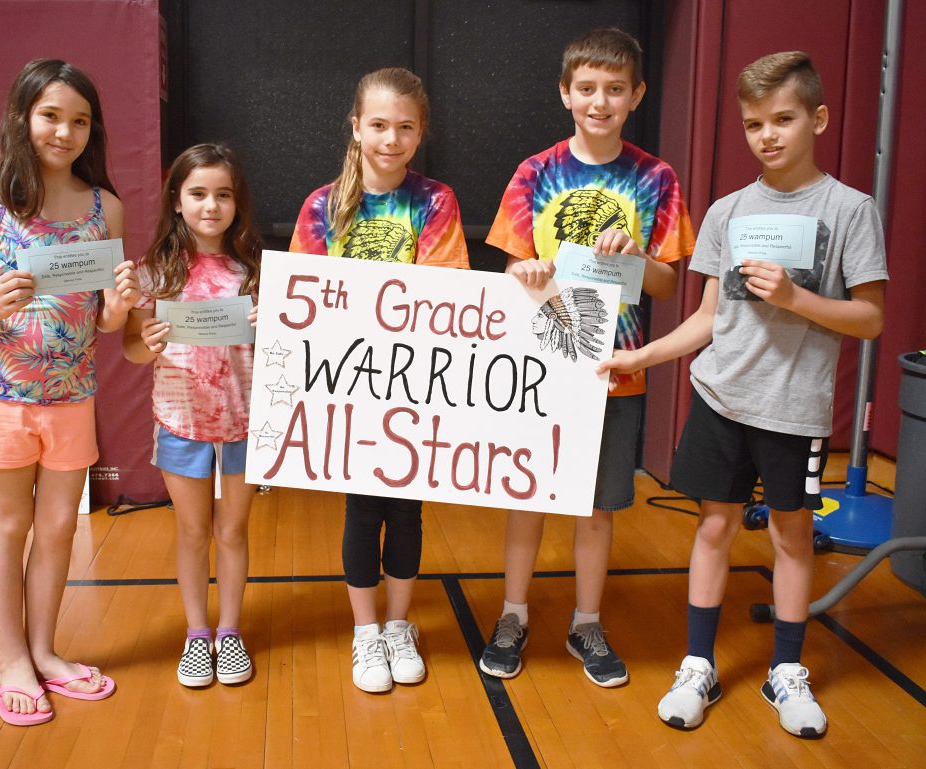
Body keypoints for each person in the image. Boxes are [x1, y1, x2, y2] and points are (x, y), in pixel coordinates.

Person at [597, 51, 888, 737]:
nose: (768, 135)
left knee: (791, 535)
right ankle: (697, 662)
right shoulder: (727, 211)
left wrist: (797, 297)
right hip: (721, 398)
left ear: (815, 119)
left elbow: (872, 318)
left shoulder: (852, 209)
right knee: (715, 527)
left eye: (783, 119)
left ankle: (787, 669)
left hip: (793, 410)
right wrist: (640, 354)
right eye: (754, 123)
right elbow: (706, 318)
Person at [479, 28, 694, 687]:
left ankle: (586, 619)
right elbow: (514, 263)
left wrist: (637, 258)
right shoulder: (534, 173)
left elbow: (667, 284)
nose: (600, 101)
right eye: (588, 89)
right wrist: (530, 270)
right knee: (529, 497)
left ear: (637, 95)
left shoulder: (657, 178)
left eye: (615, 89)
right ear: (567, 94)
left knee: (597, 506)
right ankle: (513, 612)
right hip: (542, 365)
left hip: (616, 370)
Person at [0, 59, 138, 726]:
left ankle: (44, 649)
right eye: (52, 115)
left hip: (72, 395)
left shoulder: (103, 206)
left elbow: (107, 321)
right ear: (22, 117)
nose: (65, 131)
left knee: (57, 527)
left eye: (80, 120)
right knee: (9, 523)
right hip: (1, 393)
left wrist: (119, 303)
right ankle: (9, 659)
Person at [290, 67, 470, 693]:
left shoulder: (435, 201)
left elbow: (445, 293)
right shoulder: (321, 205)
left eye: (404, 128)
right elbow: (305, 297)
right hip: (348, 385)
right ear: (356, 126)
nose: (390, 140)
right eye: (378, 126)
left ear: (421, 133)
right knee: (362, 511)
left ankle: (400, 626)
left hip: (414, 385)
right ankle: (366, 634)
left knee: (408, 510)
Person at [123, 143, 262, 688]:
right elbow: (134, 347)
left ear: (236, 203)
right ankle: (197, 634)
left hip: (243, 422)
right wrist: (148, 341)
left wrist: (271, 322)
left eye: (223, 195)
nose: (211, 206)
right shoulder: (154, 271)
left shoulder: (255, 269)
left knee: (233, 531)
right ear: (177, 201)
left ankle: (230, 633)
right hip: (181, 421)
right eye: (198, 194)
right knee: (192, 531)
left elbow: (283, 346)